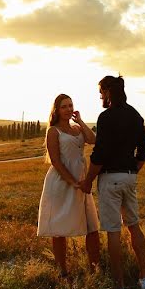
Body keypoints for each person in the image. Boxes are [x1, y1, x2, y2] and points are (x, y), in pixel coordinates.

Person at [79, 75, 145, 289]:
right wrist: (132, 170)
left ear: (108, 91)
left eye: (101, 91)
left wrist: (88, 179)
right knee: (134, 226)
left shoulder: (106, 117)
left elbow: (99, 155)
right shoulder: (135, 114)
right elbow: (144, 149)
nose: (100, 95)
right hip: (129, 177)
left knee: (114, 232)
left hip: (110, 179)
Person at [37, 94, 100, 276]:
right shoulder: (53, 131)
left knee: (92, 226)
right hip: (61, 183)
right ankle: (62, 271)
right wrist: (72, 182)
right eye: (64, 106)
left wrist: (80, 120)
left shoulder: (77, 128)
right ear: (57, 110)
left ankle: (95, 268)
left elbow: (93, 139)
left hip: (81, 182)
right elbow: (56, 161)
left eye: (71, 106)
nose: (68, 109)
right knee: (59, 228)